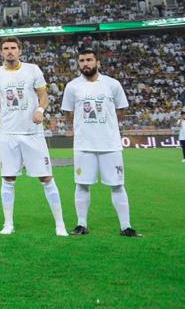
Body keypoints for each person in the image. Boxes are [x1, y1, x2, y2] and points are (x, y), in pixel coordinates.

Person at [0, 37, 67, 236]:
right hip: (8, 133)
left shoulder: (33, 70)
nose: (10, 52)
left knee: (46, 177)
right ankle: (8, 224)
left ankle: (60, 225)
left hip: (32, 132)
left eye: (13, 48)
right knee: (7, 178)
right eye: (6, 48)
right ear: (1, 52)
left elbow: (44, 96)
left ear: (20, 51)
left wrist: (40, 109)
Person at [60, 47, 139, 237]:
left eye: (89, 60)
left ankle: (125, 226)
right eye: (81, 61)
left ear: (98, 62)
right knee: (81, 184)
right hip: (84, 145)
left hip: (110, 144)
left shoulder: (112, 84)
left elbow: (120, 110)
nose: (85, 64)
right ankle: (81, 224)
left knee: (118, 185)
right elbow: (69, 113)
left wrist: (106, 127)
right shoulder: (72, 86)